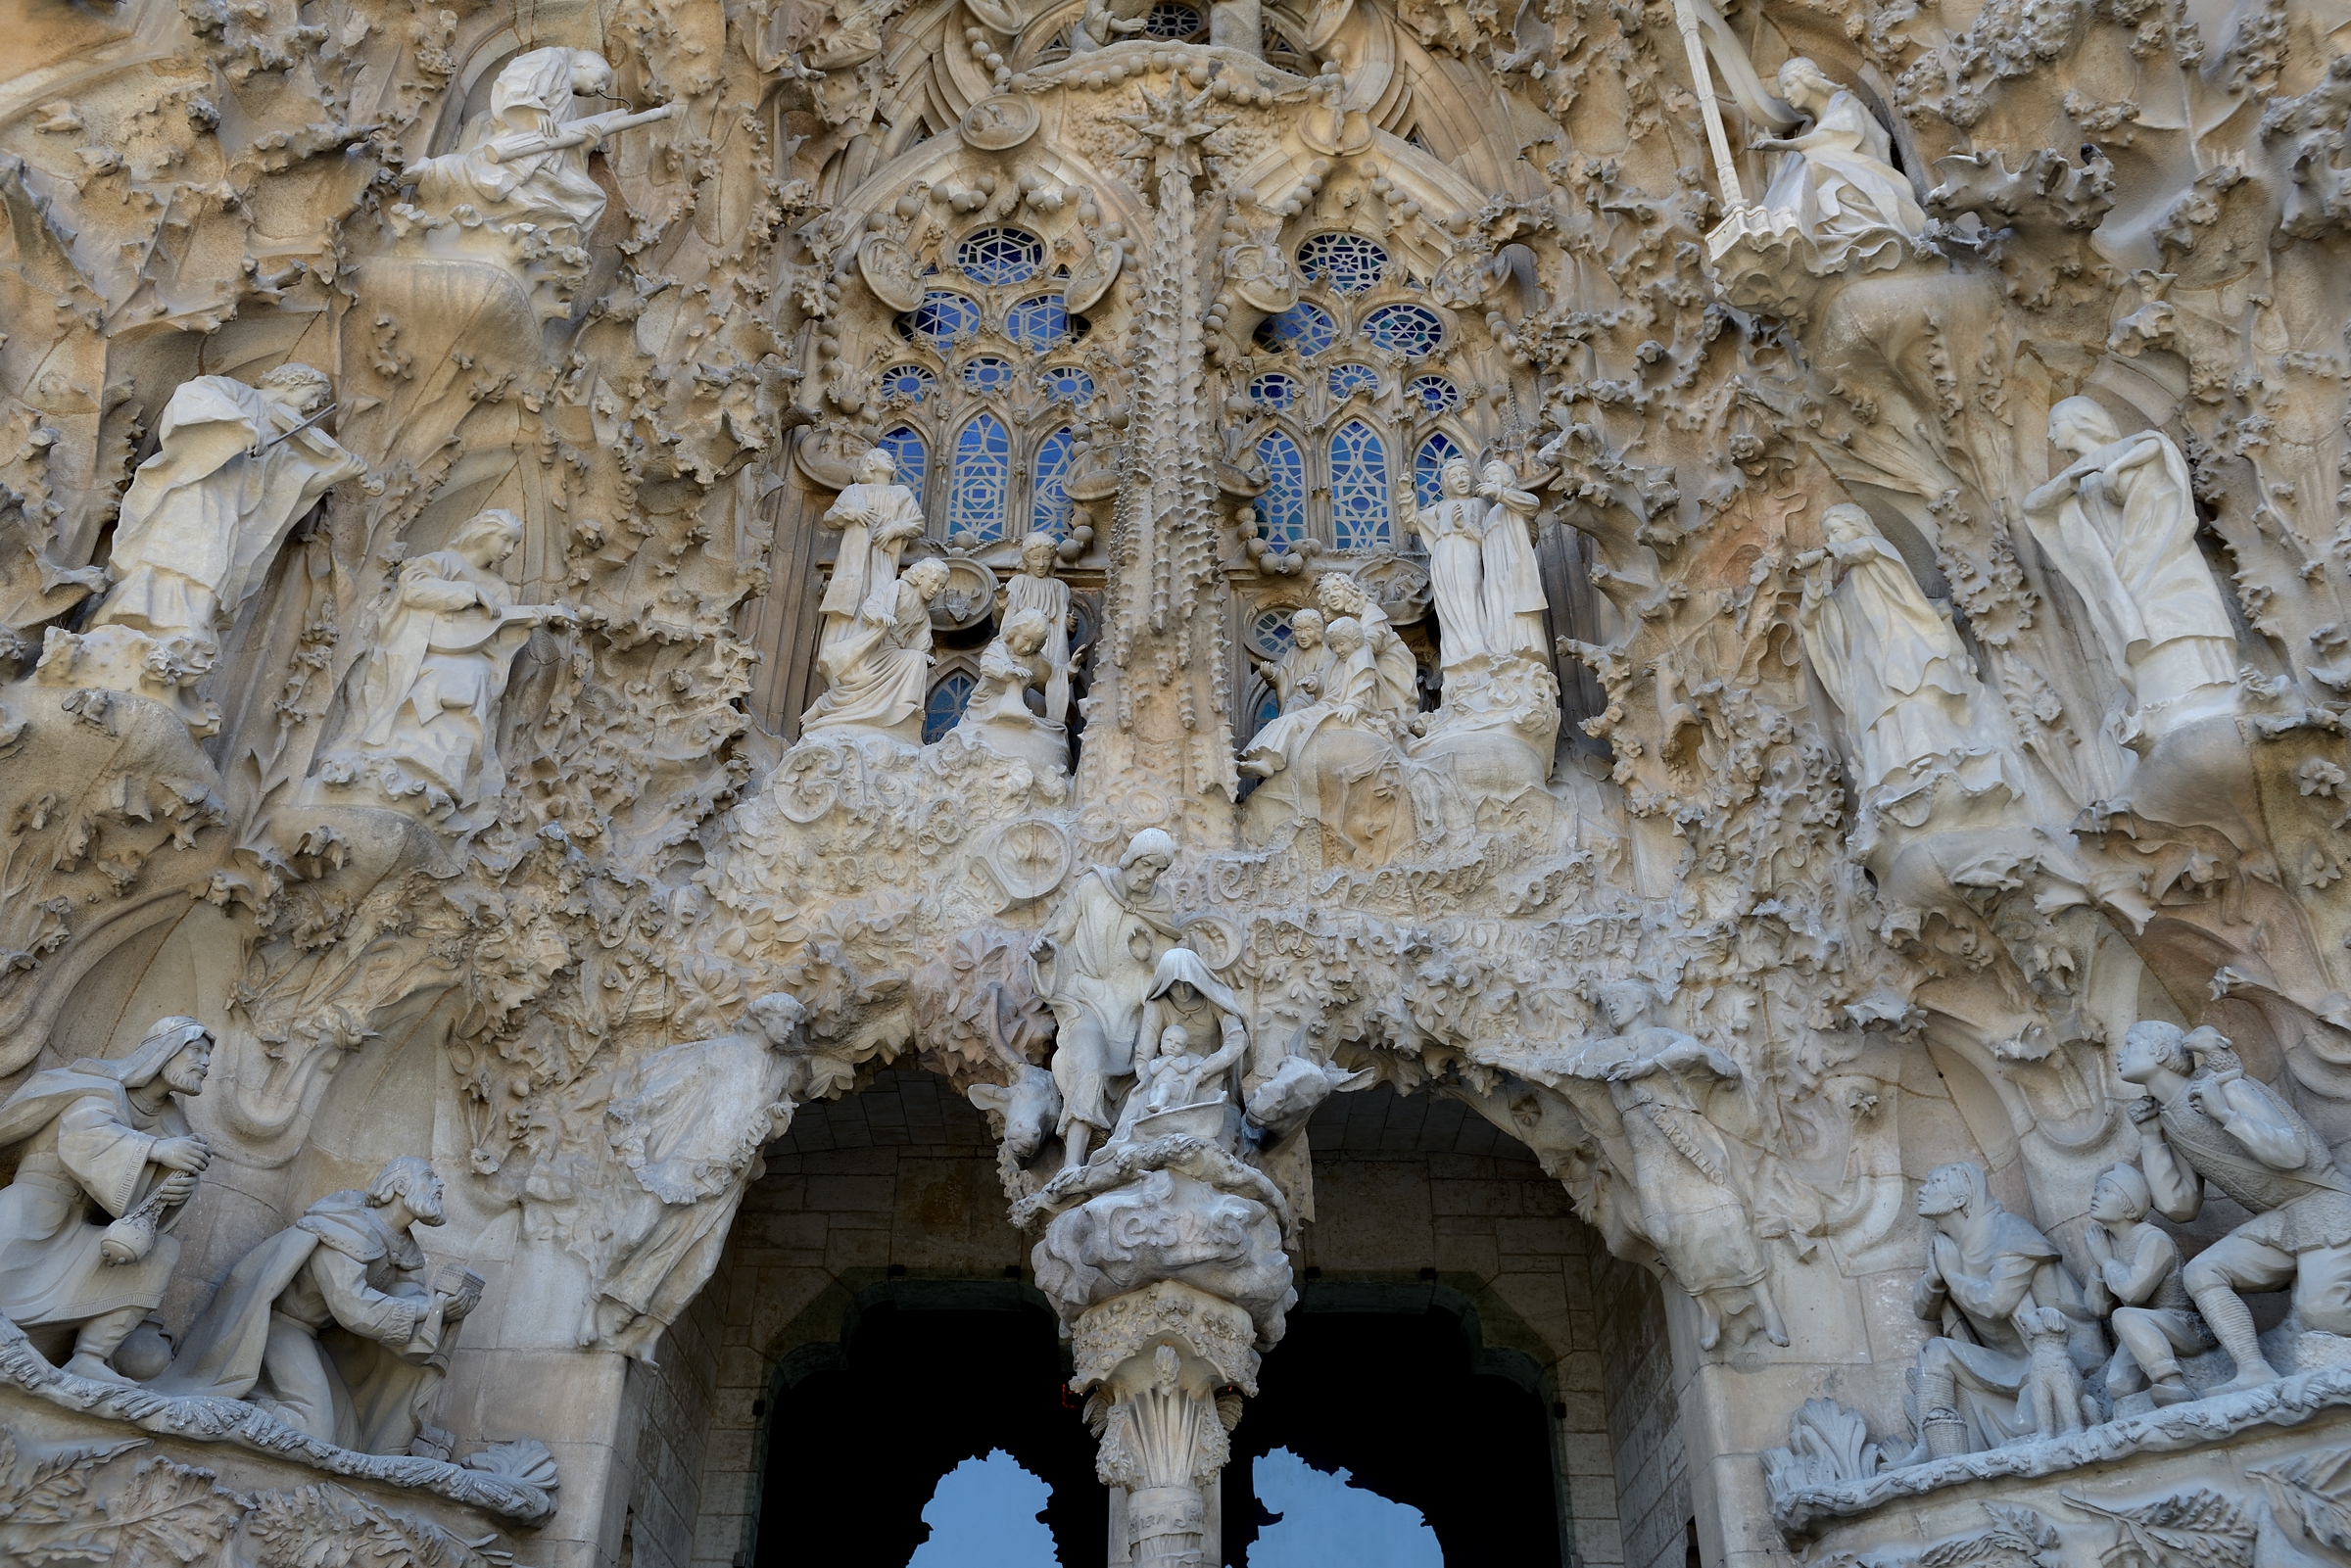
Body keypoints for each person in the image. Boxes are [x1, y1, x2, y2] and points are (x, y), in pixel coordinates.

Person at [153, 1158, 479, 1455]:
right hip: (273, 1328)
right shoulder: (348, 1227)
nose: (439, 1185)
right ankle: (220, 1413)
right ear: (401, 1185)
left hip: (308, 1337)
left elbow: (409, 1298)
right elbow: (354, 1308)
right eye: (429, 1176)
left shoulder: (403, 1247)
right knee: (314, 1428)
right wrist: (431, 1309)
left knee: (347, 1440)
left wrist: (443, 1307)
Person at [2116, 1021, 2351, 1391]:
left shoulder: (2225, 1085)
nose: (2119, 1053)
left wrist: (2225, 1114)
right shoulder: (2171, 1118)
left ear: (2160, 1052)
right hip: (2281, 1221)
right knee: (2202, 1273)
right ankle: (2254, 1370)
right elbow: (2180, 1206)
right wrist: (2150, 1138)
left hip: (2325, 1209)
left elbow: (2292, 1153)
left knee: (2324, 1314)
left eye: (2130, 1043)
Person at [584, 993, 809, 1359]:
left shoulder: (778, 1071)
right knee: (636, 1232)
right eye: (784, 1020)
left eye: (793, 1023)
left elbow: (767, 1127)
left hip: (726, 1178)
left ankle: (647, 1332)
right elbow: (677, 1082)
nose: (789, 1029)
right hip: (687, 1160)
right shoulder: (725, 1051)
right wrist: (638, 1106)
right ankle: (592, 1305)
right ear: (764, 1018)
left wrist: (776, 1122)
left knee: (701, 1264)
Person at [90, 367, 363, 659]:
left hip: (231, 504)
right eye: (313, 395)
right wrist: (240, 427)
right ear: (293, 382)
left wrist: (333, 473)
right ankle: (136, 612)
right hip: (196, 485)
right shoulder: (231, 391)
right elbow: (193, 398)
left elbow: (283, 489)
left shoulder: (284, 434)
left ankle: (190, 625)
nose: (313, 406)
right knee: (172, 547)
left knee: (213, 561)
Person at [0, 1019, 214, 1384]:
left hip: (79, 1229)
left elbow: (137, 1205)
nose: (205, 1064)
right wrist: (158, 1151)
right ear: (164, 1050)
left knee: (161, 1253)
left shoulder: (170, 1122)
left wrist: (170, 1192)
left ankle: (89, 1357)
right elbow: (85, 1138)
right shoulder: (99, 1084)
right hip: (33, 1210)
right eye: (196, 1051)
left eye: (207, 1056)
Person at [2023, 401, 2239, 740]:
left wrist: (2116, 467)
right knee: (2143, 629)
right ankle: (2163, 707)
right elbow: (2032, 505)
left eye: (2055, 424)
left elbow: (2156, 444)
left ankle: (2208, 693)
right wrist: (2069, 479)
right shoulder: (2072, 480)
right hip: (2120, 573)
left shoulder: (2129, 447)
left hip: (2161, 556)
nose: (2050, 435)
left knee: (2180, 619)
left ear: (2082, 421)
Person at [343, 508, 566, 814]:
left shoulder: (499, 588)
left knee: (475, 673)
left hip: (470, 658)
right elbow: (412, 589)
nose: (509, 550)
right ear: (483, 534)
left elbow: (489, 637)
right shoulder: (445, 561)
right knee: (446, 672)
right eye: (504, 540)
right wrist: (468, 592)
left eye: (514, 544)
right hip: (421, 647)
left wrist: (523, 625)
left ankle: (443, 767)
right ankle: (404, 749)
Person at [1908, 1162, 2101, 1456]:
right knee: (1933, 1352)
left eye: (1934, 1183)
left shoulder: (2008, 1230)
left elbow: (1995, 1303)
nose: (1922, 1190)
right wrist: (1935, 1279)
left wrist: (1951, 1276)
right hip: (2010, 1363)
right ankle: (1930, 1448)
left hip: (2060, 1358)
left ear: (1960, 1198)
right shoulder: (1948, 1245)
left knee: (2029, 1426)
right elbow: (1923, 1309)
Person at [1797, 504, 1986, 792]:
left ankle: (1932, 758)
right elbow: (1812, 618)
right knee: (1881, 716)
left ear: (1857, 525)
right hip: (1867, 663)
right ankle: (1890, 779)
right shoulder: (1843, 590)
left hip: (1900, 647)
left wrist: (1833, 550)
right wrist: (1813, 578)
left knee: (1911, 701)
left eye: (1835, 531)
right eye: (1826, 536)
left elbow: (1861, 550)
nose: (1830, 539)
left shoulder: (1878, 551)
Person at [1029, 830, 1180, 1169]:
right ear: (1130, 858)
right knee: (1090, 1063)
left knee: (1151, 1077)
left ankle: (1118, 1157)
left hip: (1131, 1011)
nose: (1150, 875)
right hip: (1086, 1001)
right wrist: (1045, 957)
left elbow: (1170, 969)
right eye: (1145, 865)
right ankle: (1072, 1164)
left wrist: (1147, 958)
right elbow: (1055, 937)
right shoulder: (1092, 887)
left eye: (1159, 870)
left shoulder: (1160, 904)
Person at [1751, 57, 1931, 274]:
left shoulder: (1842, 101)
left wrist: (1784, 144)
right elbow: (1787, 183)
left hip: (1866, 179)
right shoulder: (1807, 129)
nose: (1786, 95)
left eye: (1790, 84)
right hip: (1838, 180)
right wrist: (1774, 156)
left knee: (1823, 175)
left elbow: (1836, 138)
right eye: (1782, 90)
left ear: (1808, 79)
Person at [2082, 1163, 2210, 1409]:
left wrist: (2106, 1261)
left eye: (2106, 1191)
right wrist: (2098, 1265)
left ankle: (2171, 1382)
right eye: (2096, 1191)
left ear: (2128, 1203)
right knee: (2119, 1385)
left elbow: (2133, 1293)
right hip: (2141, 1326)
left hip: (2182, 1325)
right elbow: (2098, 1309)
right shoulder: (2108, 1244)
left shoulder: (2153, 1238)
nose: (2095, 1196)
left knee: (2124, 1315)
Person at [798, 557, 949, 743]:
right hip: (875, 645)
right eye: (933, 581)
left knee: (916, 660)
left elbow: (920, 643)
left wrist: (924, 657)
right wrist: (881, 615)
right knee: (862, 679)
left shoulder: (923, 615)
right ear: (920, 576)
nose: (935, 589)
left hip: (893, 652)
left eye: (941, 586)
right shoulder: (900, 589)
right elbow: (871, 605)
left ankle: (905, 708)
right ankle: (824, 704)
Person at [1406, 458, 1489, 669]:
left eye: (1464, 474)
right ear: (1446, 483)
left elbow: (1490, 539)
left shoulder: (1479, 505)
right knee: (1448, 604)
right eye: (1454, 476)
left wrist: (1464, 525)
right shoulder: (1441, 507)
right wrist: (1404, 492)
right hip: (1443, 559)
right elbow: (1413, 522)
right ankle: (1456, 652)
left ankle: (1477, 646)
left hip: (1468, 555)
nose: (1460, 480)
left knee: (1469, 596)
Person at [1476, 458, 1549, 662]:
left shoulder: (1515, 500)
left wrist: (1500, 492)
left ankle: (1528, 649)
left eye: (1493, 475)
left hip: (1515, 566)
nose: (1489, 480)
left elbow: (1533, 505)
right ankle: (1504, 652)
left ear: (1506, 476)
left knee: (1520, 609)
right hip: (1495, 573)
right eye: (1486, 478)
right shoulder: (1492, 514)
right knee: (1500, 610)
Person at [1002, 533, 1075, 725]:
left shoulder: (1060, 587)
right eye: (1035, 558)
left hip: (1053, 643)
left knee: (1051, 686)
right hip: (1025, 643)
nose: (1041, 564)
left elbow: (1063, 620)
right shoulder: (1017, 583)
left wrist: (1069, 625)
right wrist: (1001, 601)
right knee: (1023, 686)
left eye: (1046, 558)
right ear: (1027, 559)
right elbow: (1006, 620)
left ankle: (1050, 727)